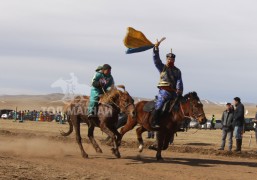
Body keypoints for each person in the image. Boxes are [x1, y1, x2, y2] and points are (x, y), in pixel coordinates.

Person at [151, 41, 183, 128]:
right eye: (169, 59)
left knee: (180, 106)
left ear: (174, 60)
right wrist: (156, 49)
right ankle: (154, 121)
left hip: (174, 92)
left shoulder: (177, 70)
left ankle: (178, 123)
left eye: (172, 59)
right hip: (164, 91)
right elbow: (156, 60)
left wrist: (179, 91)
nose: (170, 60)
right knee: (160, 104)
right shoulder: (162, 67)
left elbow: (179, 81)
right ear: (166, 59)